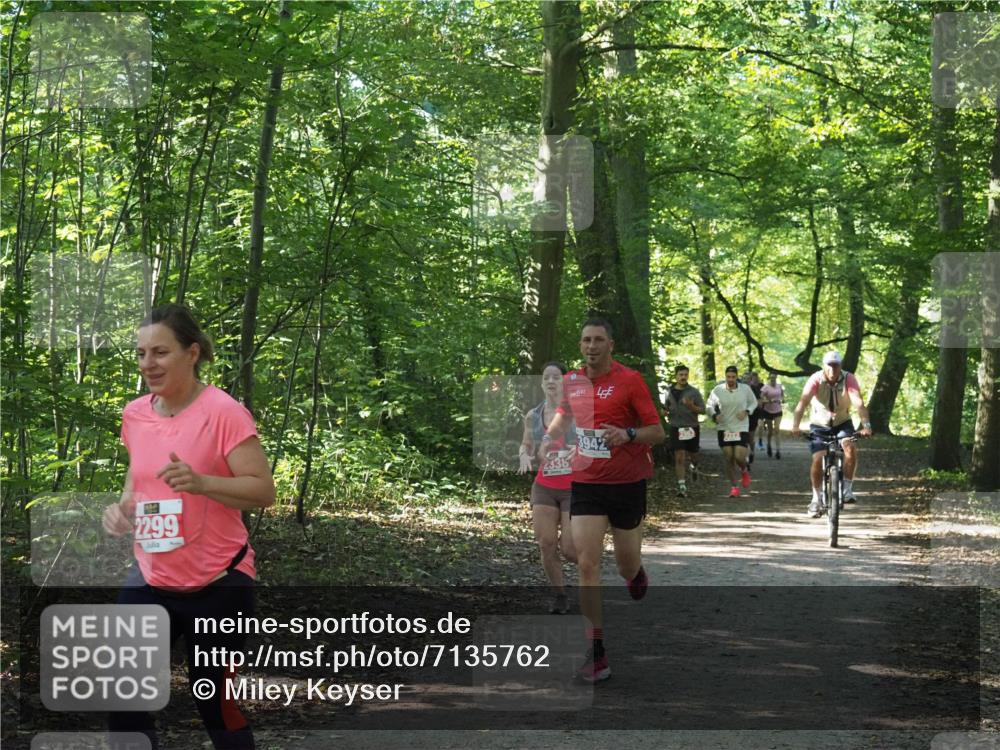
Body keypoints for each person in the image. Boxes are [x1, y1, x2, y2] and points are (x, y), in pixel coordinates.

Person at [102, 303, 276, 750]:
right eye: (141, 354)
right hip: (150, 576)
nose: (148, 364)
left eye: (160, 352)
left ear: (192, 353)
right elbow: (137, 478)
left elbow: (263, 491)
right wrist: (123, 509)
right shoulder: (135, 414)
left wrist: (202, 483)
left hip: (219, 582)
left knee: (216, 705)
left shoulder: (224, 412)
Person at [539, 318, 665, 683]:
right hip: (586, 482)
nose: (591, 346)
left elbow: (657, 432)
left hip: (627, 483)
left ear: (611, 344)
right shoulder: (572, 382)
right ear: (580, 346)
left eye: (597, 340)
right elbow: (564, 416)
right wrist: (547, 439)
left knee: (626, 566)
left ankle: (635, 573)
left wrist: (628, 434)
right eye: (585, 340)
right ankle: (595, 652)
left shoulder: (630, 381)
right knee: (586, 563)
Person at [519, 362, 578, 614]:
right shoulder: (533, 415)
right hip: (544, 486)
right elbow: (527, 444)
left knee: (570, 550)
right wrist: (523, 454)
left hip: (574, 487)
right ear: (542, 383)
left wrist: (580, 448)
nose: (551, 381)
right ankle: (559, 595)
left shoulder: (577, 412)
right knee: (546, 543)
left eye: (556, 377)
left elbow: (593, 441)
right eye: (546, 378)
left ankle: (591, 570)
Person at [791, 350, 873, 517]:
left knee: (850, 448)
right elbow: (803, 403)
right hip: (819, 425)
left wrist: (866, 426)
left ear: (840, 366)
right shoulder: (815, 379)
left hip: (842, 423)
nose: (833, 369)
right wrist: (795, 426)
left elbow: (859, 403)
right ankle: (816, 499)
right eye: (829, 365)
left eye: (836, 365)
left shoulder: (848, 378)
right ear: (824, 366)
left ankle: (847, 490)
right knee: (818, 457)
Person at [706, 366, 758, 498]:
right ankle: (734, 487)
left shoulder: (745, 389)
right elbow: (709, 405)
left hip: (741, 426)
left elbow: (753, 402)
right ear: (725, 377)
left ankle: (744, 470)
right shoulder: (718, 390)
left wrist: (747, 411)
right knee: (729, 457)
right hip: (724, 427)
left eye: (733, 377)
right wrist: (714, 415)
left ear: (737, 377)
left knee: (739, 456)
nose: (730, 379)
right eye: (728, 377)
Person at [664, 365, 705, 497]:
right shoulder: (669, 391)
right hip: (675, 427)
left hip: (691, 427)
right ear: (676, 376)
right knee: (680, 456)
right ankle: (682, 486)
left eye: (685, 375)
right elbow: (666, 407)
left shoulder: (694, 392)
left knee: (694, 455)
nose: (683, 377)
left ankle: (695, 466)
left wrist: (691, 406)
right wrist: (664, 411)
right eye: (681, 375)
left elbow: (703, 410)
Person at [760, 372, 785, 459]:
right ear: (769, 378)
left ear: (776, 378)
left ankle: (778, 450)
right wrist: (768, 401)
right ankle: (769, 445)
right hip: (768, 411)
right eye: (771, 378)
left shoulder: (779, 386)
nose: (773, 379)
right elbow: (761, 399)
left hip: (778, 410)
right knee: (770, 431)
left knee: (777, 429)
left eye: (774, 378)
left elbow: (782, 396)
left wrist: (782, 400)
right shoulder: (765, 387)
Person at [744, 371, 764, 463]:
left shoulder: (754, 389)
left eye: (748, 379)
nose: (746, 380)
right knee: (743, 437)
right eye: (744, 379)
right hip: (742, 416)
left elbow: (760, 403)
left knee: (750, 438)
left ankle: (752, 452)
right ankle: (745, 456)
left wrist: (752, 404)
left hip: (753, 416)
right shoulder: (738, 389)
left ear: (751, 380)